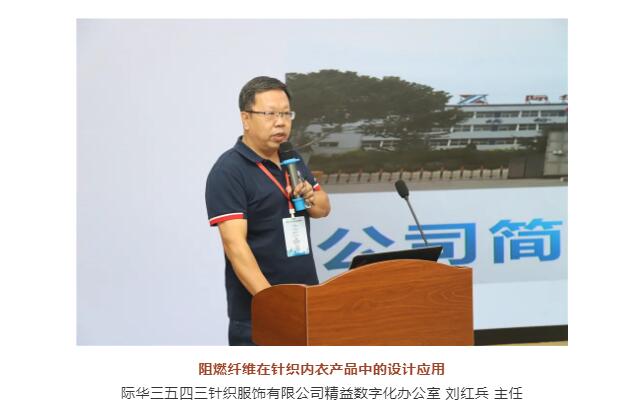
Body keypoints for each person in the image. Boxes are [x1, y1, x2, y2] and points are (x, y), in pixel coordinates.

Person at [205, 76, 331, 345]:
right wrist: (274, 304)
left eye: (286, 114)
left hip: (306, 302)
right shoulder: (229, 170)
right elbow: (235, 246)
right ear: (246, 118)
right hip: (259, 313)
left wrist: (309, 196)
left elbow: (323, 209)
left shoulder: (291, 158)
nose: (281, 122)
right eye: (271, 114)